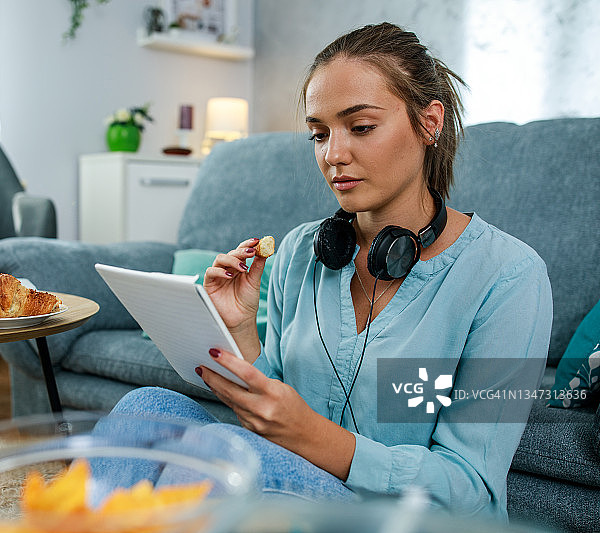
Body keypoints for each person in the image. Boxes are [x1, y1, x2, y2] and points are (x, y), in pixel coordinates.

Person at [110, 22, 552, 521]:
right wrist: (238, 334)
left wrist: (313, 438)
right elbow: (274, 411)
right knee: (145, 410)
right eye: (319, 134)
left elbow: (471, 490)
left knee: (214, 462)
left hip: (398, 518)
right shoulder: (300, 251)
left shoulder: (508, 276)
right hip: (292, 483)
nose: (333, 155)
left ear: (430, 123)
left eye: (360, 127)